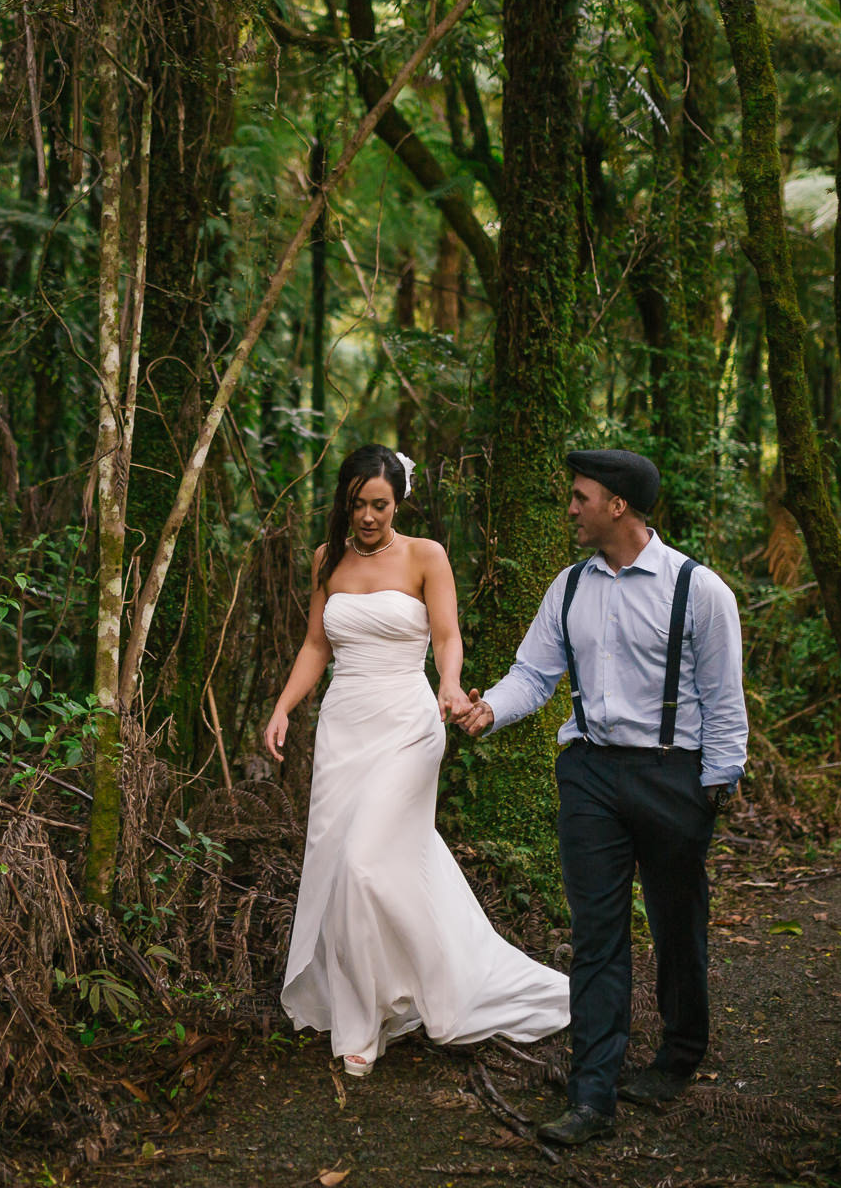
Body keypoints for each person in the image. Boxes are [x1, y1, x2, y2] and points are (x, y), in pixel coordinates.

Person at [465, 449, 747, 1145]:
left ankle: (679, 1055)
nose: (571, 508)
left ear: (616, 505)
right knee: (596, 935)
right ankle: (592, 1097)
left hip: (673, 776)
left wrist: (716, 785)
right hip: (589, 773)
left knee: (678, 924)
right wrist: (488, 711)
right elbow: (532, 674)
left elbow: (723, 698)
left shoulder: (699, 589)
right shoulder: (568, 587)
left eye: (580, 497)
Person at [266, 443, 570, 1077]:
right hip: (344, 730)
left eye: (380, 504)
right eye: (357, 504)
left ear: (399, 500)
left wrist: (450, 684)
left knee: (362, 861)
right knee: (349, 866)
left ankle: (419, 994)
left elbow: (446, 634)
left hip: (409, 724)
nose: (368, 516)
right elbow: (316, 643)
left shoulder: (426, 555)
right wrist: (284, 708)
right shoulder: (327, 559)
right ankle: (363, 1018)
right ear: (345, 502)